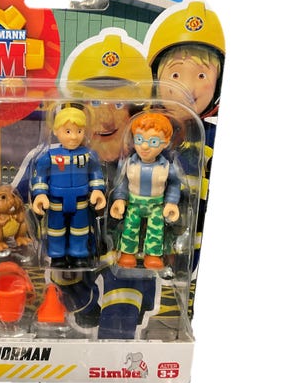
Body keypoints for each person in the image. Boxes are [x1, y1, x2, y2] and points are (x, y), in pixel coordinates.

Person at [31, 103, 106, 268]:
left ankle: (78, 254)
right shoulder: (50, 156)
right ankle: (57, 255)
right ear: (56, 131)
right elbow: (40, 175)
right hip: (56, 201)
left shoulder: (88, 155)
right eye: (68, 131)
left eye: (79, 131)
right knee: (55, 229)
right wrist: (40, 194)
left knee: (80, 228)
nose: (74, 137)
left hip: (81, 200)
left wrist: (98, 191)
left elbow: (96, 173)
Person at [110, 112, 181, 269]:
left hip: (156, 205)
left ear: (165, 142)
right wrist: (119, 199)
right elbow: (121, 182)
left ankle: (153, 255)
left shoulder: (167, 167)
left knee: (156, 231)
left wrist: (171, 202)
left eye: (153, 141)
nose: (144, 146)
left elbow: (175, 184)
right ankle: (127, 253)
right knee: (130, 228)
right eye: (139, 139)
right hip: (134, 204)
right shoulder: (129, 163)